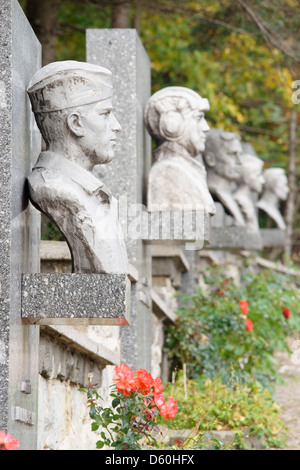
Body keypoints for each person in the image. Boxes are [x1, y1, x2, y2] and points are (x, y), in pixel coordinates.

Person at [27, 60, 128, 274]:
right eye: (105, 114)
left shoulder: (94, 194)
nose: (117, 126)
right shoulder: (54, 189)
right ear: (76, 124)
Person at [144, 86, 216, 215]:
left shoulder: (188, 169)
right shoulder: (166, 172)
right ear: (173, 125)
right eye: (198, 118)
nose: (205, 128)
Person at [202, 129, 245, 226]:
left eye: (240, 154)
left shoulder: (232, 196)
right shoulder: (209, 194)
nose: (240, 161)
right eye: (232, 154)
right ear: (210, 159)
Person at [233, 153, 265, 232]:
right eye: (258, 175)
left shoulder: (246, 201)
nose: (262, 181)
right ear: (247, 177)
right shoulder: (239, 200)